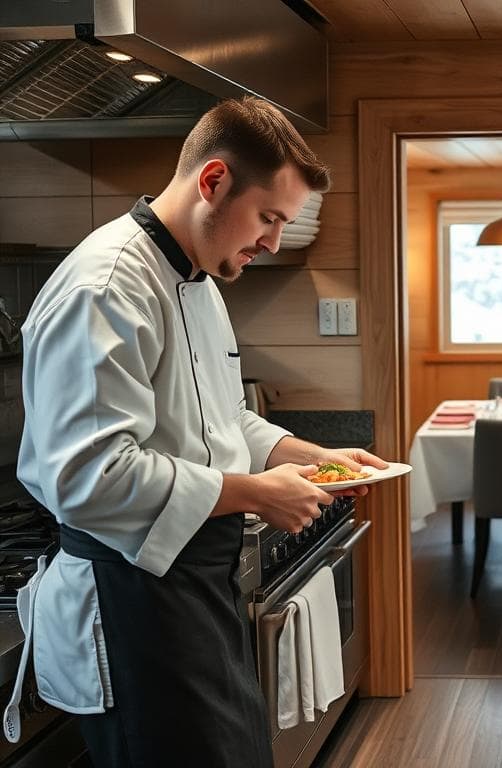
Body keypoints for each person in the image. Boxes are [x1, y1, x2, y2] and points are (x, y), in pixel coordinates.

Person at [13, 97, 386, 767]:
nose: (273, 240)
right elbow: (92, 476)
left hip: (193, 589)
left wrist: (310, 454)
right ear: (213, 181)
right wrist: (256, 492)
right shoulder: (107, 287)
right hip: (131, 605)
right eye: (269, 217)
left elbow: (221, 420)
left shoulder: (201, 283)